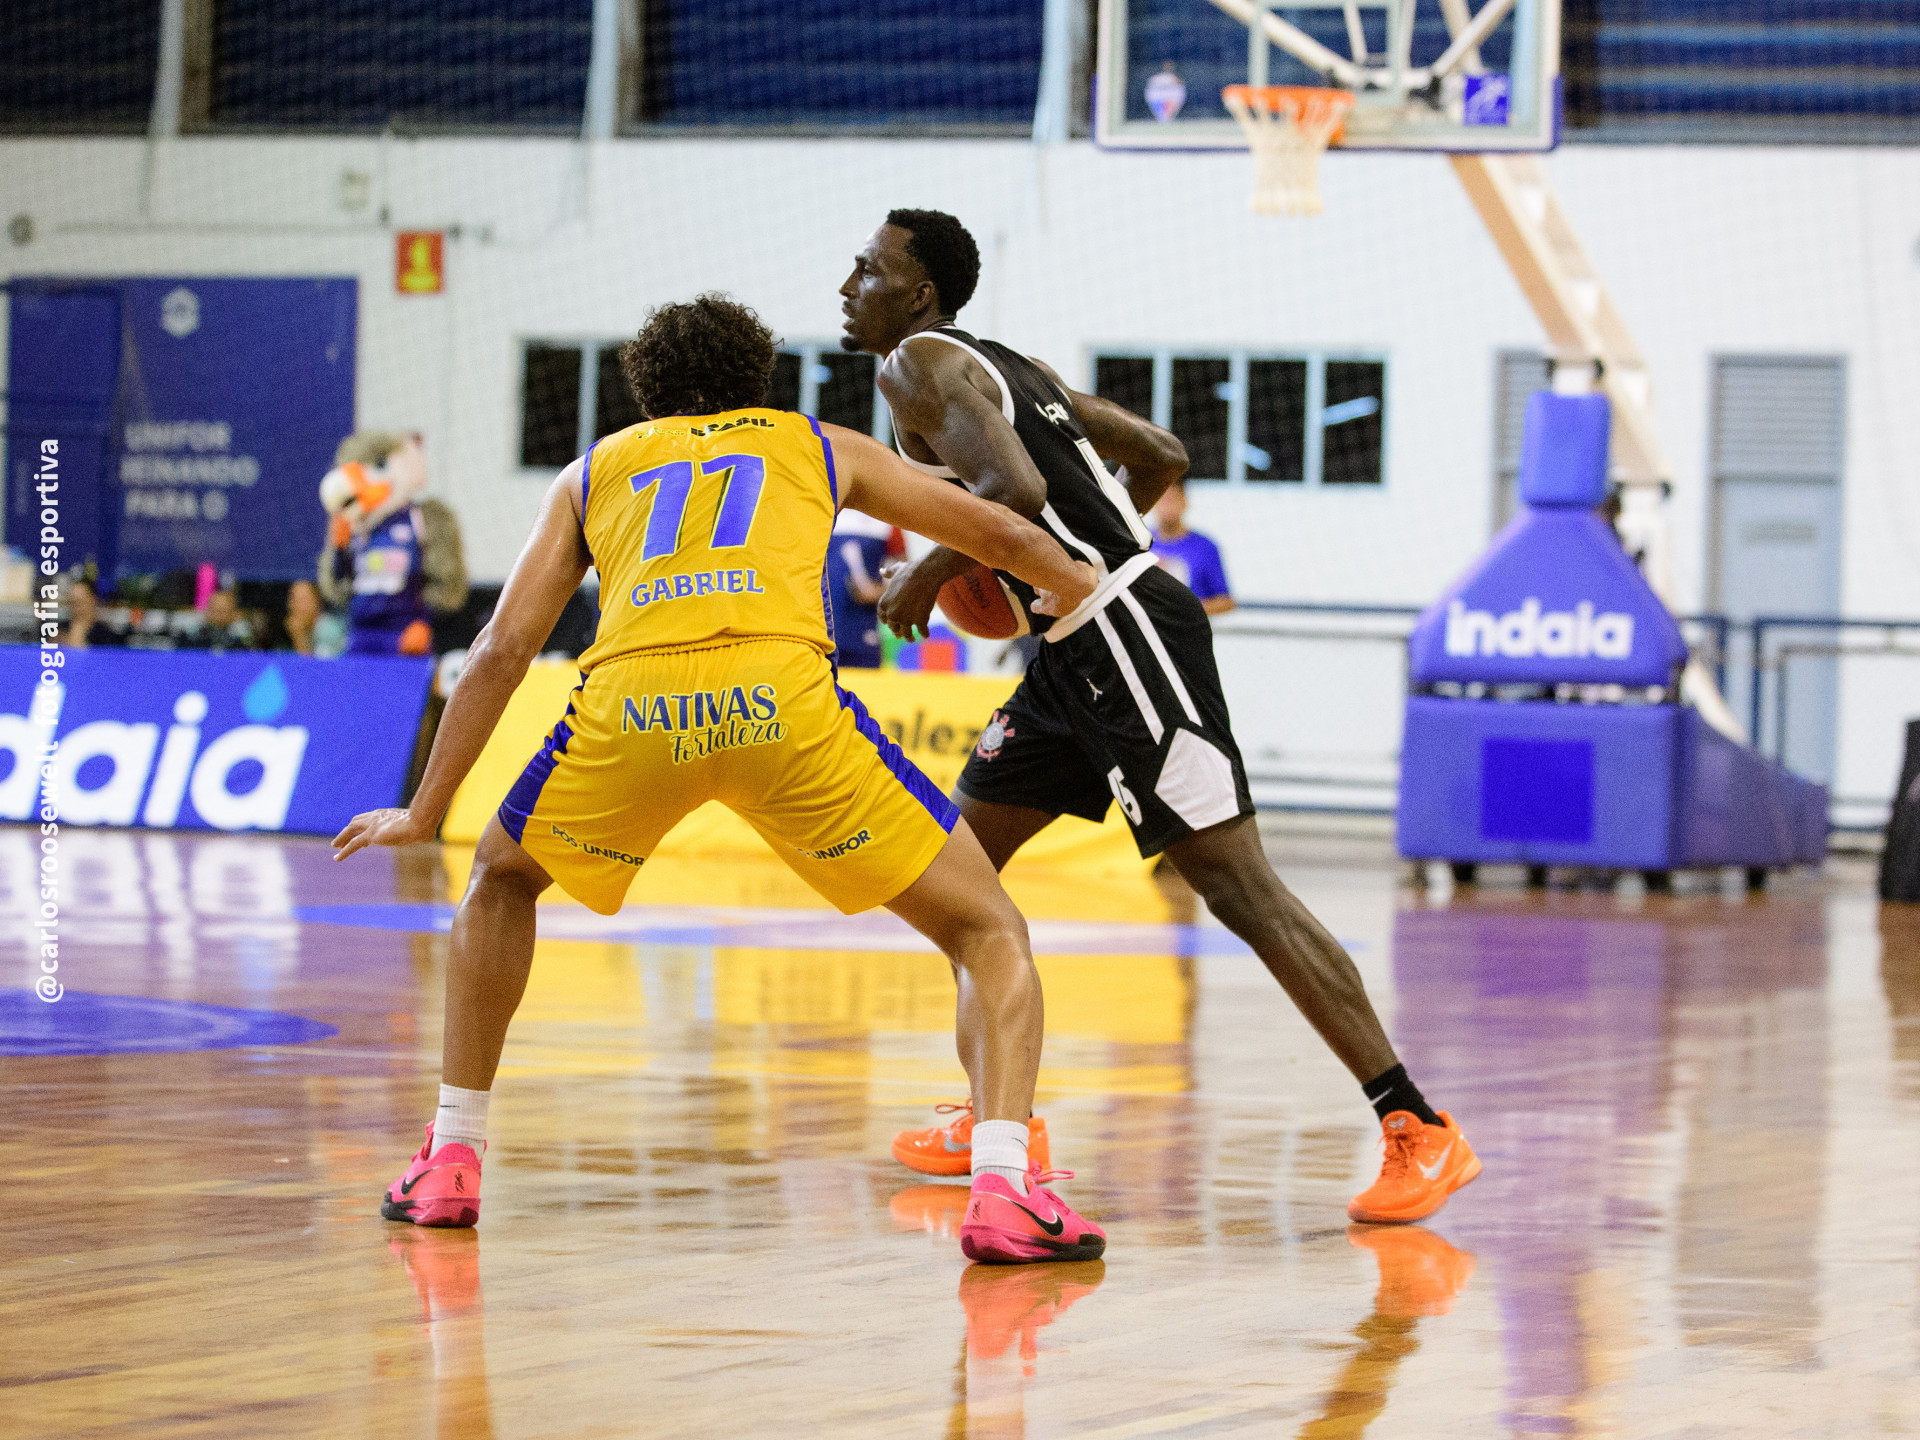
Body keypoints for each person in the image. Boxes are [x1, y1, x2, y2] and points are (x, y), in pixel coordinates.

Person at [333, 293, 1107, 1265]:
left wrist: (425, 808)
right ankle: (1002, 1187)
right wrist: (1082, 587)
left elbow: (499, 649)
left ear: (644, 391)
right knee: (988, 930)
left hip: (634, 707)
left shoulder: (592, 471)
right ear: (759, 379)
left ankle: (451, 1157)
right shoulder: (817, 444)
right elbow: (1001, 533)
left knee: (500, 879)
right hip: (780, 703)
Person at [842, 209, 1480, 1226]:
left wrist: (935, 570)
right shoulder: (1019, 369)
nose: (849, 289)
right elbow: (1161, 451)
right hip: (1071, 643)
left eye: (868, 270)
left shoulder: (914, 364)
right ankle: (997, 1117)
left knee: (1239, 891)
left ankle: (1417, 1126)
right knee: (957, 874)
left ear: (920, 294)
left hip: (1124, 634)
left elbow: (1012, 487)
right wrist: (1078, 552)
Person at [318, 433, 469, 655]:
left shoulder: (421, 519)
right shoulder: (351, 524)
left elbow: (445, 581)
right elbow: (339, 586)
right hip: (360, 633)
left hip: (405, 633)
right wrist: (340, 551)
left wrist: (425, 622)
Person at [1149, 480, 1235, 616]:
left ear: (1184, 502)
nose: (1167, 507)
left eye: (1172, 499)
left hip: (1189, 627)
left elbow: (1225, 601)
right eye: (1162, 500)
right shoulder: (1139, 544)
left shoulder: (1205, 547)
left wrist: (1187, 611)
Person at [826, 507, 897, 667]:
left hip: (863, 637)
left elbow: (905, 581)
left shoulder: (887, 520)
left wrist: (877, 592)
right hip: (818, 636)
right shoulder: (816, 513)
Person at [283, 579, 321, 655]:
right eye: (293, 600)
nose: (293, 606)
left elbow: (311, 662)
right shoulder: (287, 630)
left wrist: (299, 636)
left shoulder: (327, 630)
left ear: (316, 603)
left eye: (301, 600)